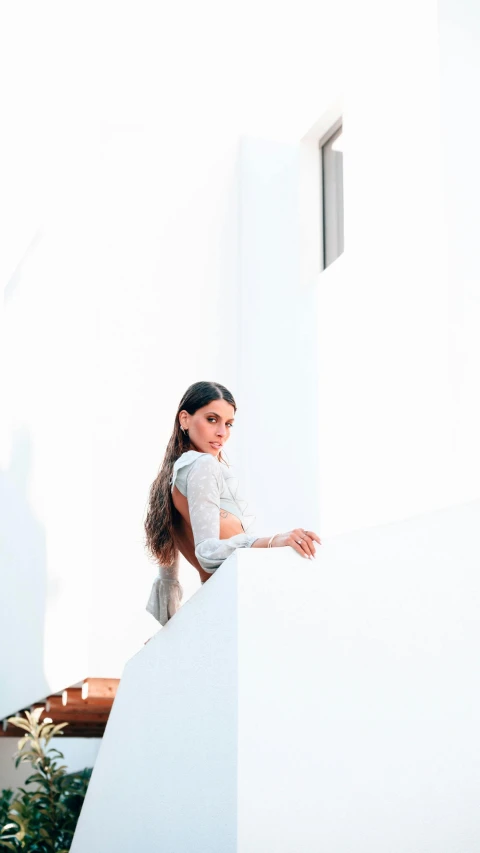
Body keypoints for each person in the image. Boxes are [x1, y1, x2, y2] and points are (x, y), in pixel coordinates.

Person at [144, 380, 321, 629]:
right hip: (239, 596)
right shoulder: (202, 465)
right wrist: (273, 541)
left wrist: (172, 637)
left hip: (223, 599)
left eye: (228, 424)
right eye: (212, 419)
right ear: (184, 419)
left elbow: (167, 581)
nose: (222, 433)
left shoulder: (168, 481)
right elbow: (206, 551)